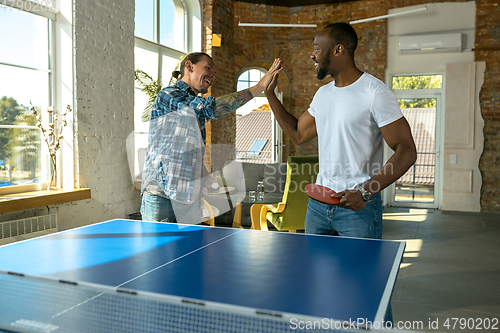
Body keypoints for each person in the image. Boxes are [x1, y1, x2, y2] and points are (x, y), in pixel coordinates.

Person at [265, 22, 416, 325]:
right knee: (320, 284)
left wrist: (367, 190)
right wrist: (270, 96)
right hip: (319, 209)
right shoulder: (323, 95)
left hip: (357, 210)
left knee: (368, 291)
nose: (312, 55)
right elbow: (297, 133)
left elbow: (406, 150)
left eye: (317, 48)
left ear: (339, 50)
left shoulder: (375, 93)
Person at [141, 52, 282, 224]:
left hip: (189, 194)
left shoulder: (193, 103)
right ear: (189, 66)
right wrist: (259, 87)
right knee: (157, 250)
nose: (213, 75)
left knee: (190, 248)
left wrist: (204, 175)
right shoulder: (169, 95)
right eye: (208, 68)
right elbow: (210, 107)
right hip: (162, 194)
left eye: (214, 72)